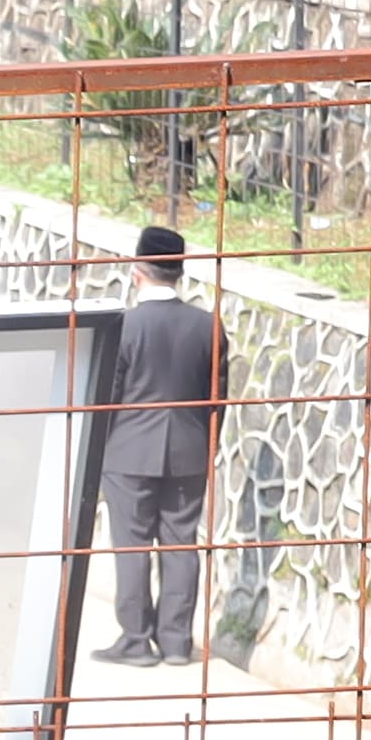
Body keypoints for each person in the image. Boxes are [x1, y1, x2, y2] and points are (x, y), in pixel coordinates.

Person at [89, 228, 223, 667]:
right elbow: (217, 398)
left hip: (128, 451)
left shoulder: (123, 327)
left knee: (132, 546)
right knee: (180, 543)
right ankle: (177, 642)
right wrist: (207, 447)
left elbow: (107, 395)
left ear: (136, 272)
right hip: (188, 451)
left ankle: (135, 638)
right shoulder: (208, 326)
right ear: (178, 273)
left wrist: (99, 450)